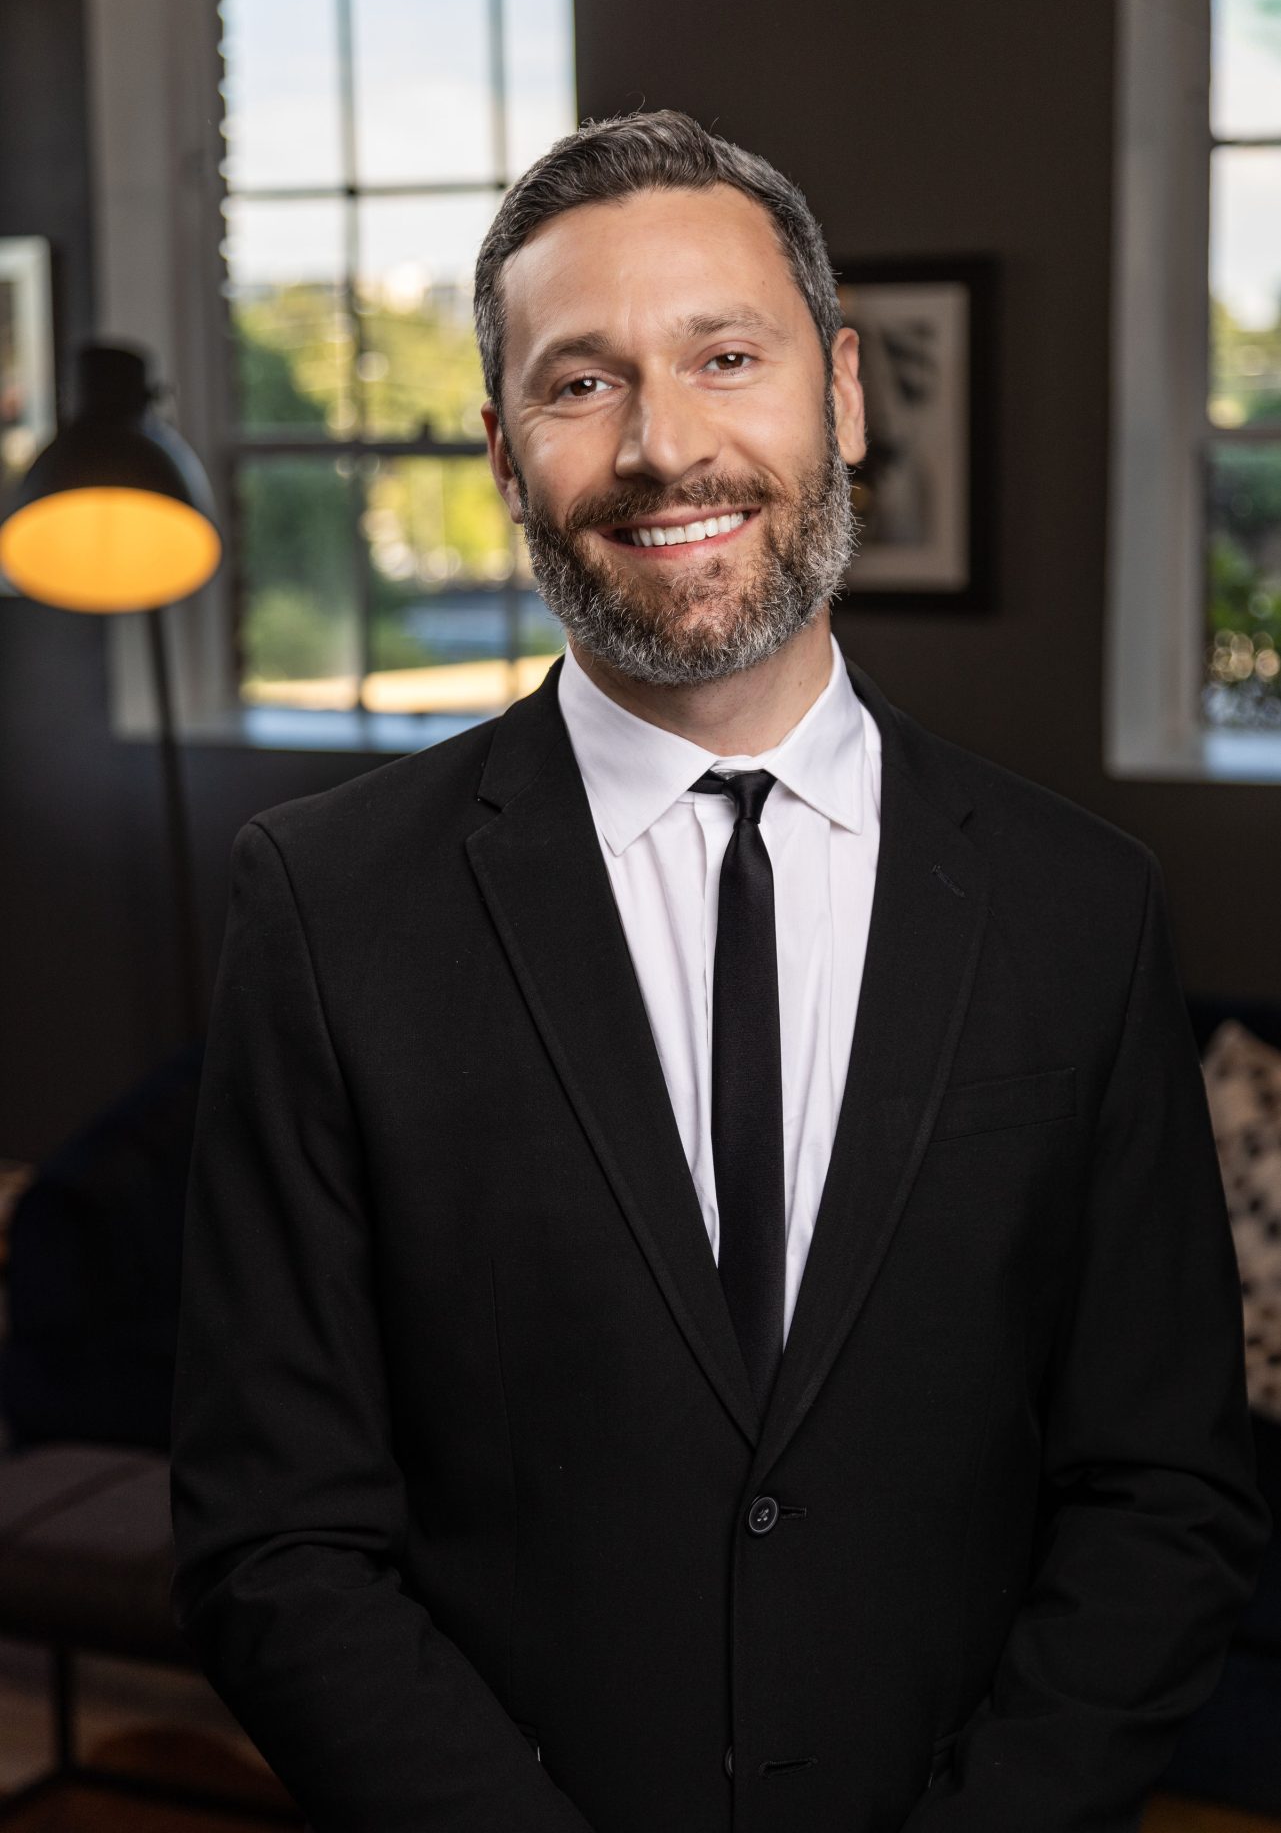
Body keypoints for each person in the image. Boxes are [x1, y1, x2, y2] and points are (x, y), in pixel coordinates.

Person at [169, 110, 1271, 1833]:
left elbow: (1164, 1493)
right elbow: (275, 1537)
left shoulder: (1082, 907)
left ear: (836, 394)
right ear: (500, 449)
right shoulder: (324, 908)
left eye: (725, 356)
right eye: (579, 381)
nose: (661, 447)